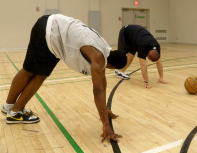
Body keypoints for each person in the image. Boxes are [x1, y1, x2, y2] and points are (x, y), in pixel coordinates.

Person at [1, 14, 127, 143]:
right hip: (49, 32)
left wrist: (104, 110)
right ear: (112, 66)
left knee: (39, 75)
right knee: (30, 72)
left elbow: (102, 81)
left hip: (54, 33)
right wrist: (106, 125)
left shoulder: (105, 49)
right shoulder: (98, 58)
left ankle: (9, 107)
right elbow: (98, 90)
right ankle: (15, 112)